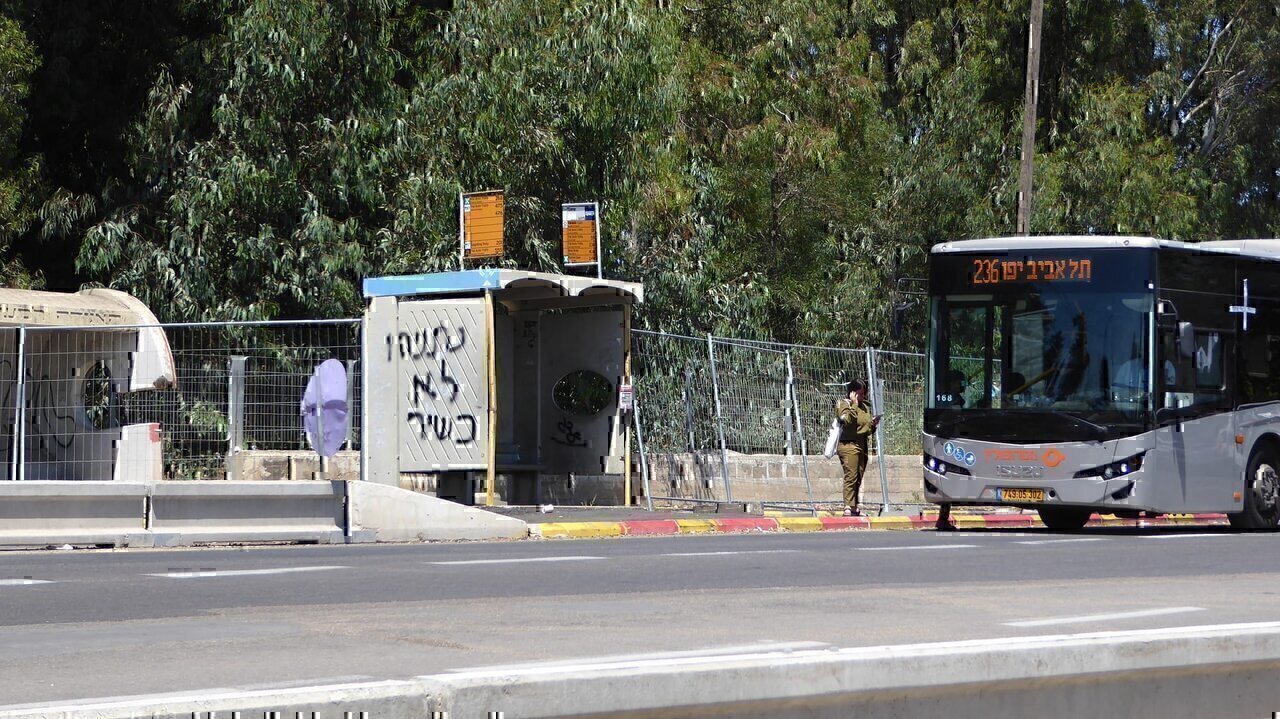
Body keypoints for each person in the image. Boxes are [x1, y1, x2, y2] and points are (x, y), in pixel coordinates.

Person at [835, 379, 880, 517]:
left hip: (861, 445)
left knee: (859, 476)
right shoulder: (843, 404)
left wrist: (872, 425)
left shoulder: (864, 406)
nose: (862, 397)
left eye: (863, 394)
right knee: (851, 475)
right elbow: (847, 421)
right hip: (848, 444)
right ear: (852, 393)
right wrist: (854, 405)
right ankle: (847, 506)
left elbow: (864, 428)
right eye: (859, 394)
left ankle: (854, 506)